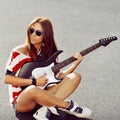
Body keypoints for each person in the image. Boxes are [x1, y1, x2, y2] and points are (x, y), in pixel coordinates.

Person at [4, 17, 92, 120]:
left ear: (46, 35)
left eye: (38, 33)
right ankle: (69, 106)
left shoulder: (48, 52)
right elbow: (7, 79)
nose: (33, 34)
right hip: (22, 101)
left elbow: (59, 77)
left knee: (75, 76)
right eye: (31, 30)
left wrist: (76, 64)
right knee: (32, 89)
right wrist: (34, 81)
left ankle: (45, 110)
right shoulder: (19, 52)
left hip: (44, 96)